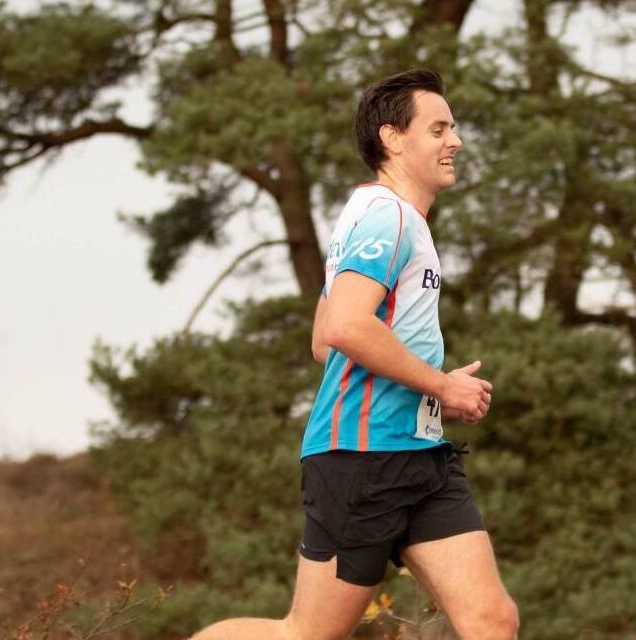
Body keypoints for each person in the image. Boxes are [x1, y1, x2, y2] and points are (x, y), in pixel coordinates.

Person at [190, 68, 519, 640]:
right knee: (306, 634)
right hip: (361, 459)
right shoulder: (384, 217)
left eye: (454, 128)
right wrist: (440, 385)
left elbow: (323, 337)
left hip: (420, 456)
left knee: (492, 620)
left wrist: (427, 383)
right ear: (393, 137)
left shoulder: (382, 218)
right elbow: (342, 326)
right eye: (439, 128)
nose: (456, 141)